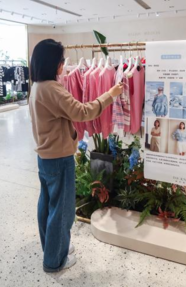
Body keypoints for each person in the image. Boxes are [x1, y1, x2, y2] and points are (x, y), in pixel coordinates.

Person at [28, 39, 123, 273]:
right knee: (62, 212)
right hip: (59, 158)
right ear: (54, 64)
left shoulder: (37, 87)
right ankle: (54, 261)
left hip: (45, 157)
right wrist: (109, 95)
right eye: (61, 61)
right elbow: (82, 112)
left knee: (48, 206)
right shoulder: (52, 88)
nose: (63, 66)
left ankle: (54, 249)